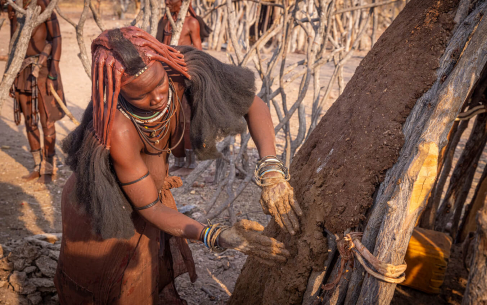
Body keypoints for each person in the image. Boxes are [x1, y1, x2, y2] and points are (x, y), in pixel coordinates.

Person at [55, 27, 302, 304]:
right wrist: (218, 236)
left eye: (159, 84)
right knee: (104, 287)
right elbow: (149, 207)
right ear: (120, 93)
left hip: (147, 195)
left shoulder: (185, 70)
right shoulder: (118, 129)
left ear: (164, 66)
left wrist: (271, 171)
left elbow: (252, 105)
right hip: (100, 211)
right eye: (141, 96)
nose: (158, 98)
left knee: (144, 277)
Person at [3, 0, 65, 184]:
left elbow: (56, 37)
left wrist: (52, 70)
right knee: (30, 121)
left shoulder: (41, 3)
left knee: (47, 122)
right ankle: (38, 165)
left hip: (42, 70)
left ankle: (49, 168)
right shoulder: (13, 4)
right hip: (20, 71)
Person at [156, 0, 212, 176]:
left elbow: (199, 52)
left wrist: (194, 77)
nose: (166, 2)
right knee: (171, 118)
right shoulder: (165, 22)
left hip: (185, 78)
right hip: (165, 77)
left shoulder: (191, 23)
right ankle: (177, 158)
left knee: (186, 118)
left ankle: (190, 162)